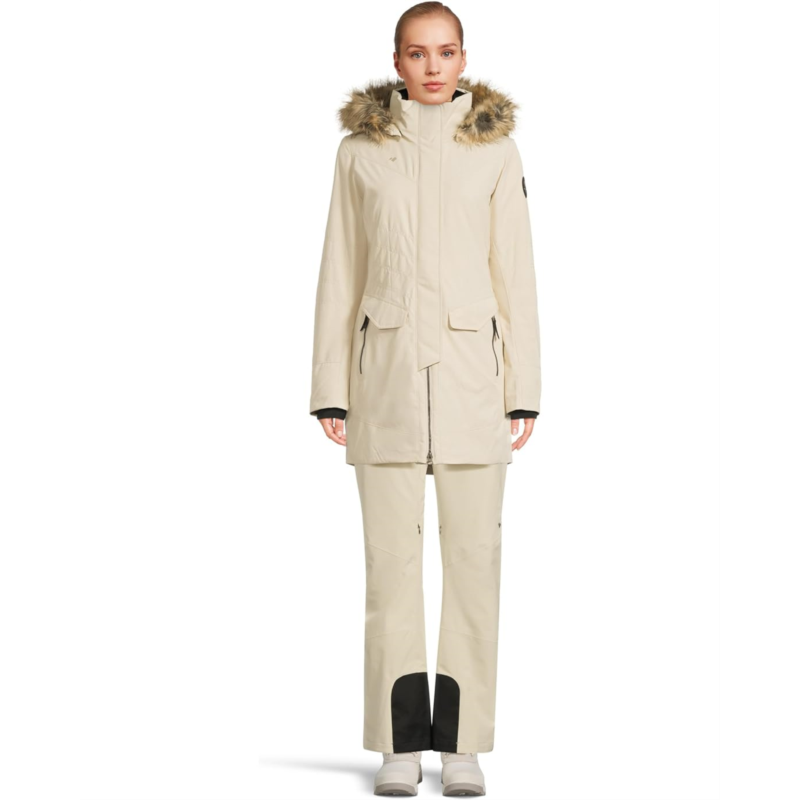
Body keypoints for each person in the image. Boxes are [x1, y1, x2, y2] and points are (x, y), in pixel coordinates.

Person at [309, 3, 541, 795]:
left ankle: (464, 745)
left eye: (446, 52)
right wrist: (330, 388)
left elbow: (516, 274)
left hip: (476, 384)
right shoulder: (359, 151)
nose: (433, 67)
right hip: (385, 385)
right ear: (397, 61)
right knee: (391, 571)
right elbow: (340, 268)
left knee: (475, 567)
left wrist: (524, 390)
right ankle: (399, 746)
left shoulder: (495, 149)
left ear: (464, 58)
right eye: (418, 53)